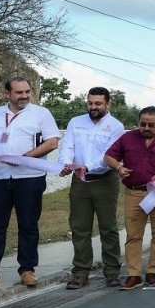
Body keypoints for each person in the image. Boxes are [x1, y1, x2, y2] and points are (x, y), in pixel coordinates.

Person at [0, 77, 60, 290]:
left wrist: (24, 157)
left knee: (28, 225)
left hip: (29, 177)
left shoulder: (41, 113)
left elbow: (52, 142)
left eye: (27, 91)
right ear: (7, 94)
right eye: (19, 92)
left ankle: (27, 270)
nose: (24, 96)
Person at [59, 87, 125, 290]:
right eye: (90, 103)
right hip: (80, 181)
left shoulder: (115, 126)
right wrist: (65, 164)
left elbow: (109, 154)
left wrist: (88, 166)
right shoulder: (76, 122)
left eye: (98, 103)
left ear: (108, 104)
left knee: (108, 227)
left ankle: (112, 271)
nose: (93, 107)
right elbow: (67, 145)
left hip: (105, 179)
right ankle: (80, 272)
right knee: (79, 227)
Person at [104, 106, 155, 290]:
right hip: (134, 192)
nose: (146, 128)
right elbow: (109, 156)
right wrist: (118, 168)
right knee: (133, 235)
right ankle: (134, 275)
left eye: (151, 125)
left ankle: (152, 272)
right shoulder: (128, 138)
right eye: (142, 124)